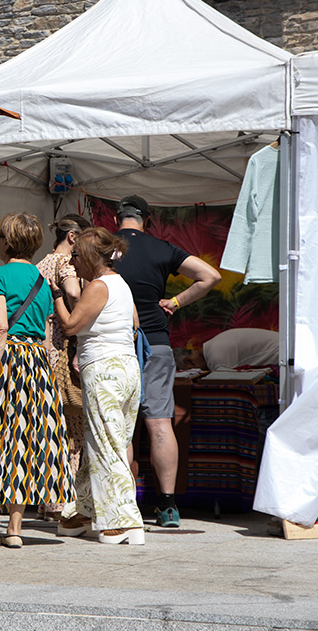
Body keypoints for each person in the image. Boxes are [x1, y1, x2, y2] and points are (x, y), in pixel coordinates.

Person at [0, 212, 72, 549]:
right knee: (23, 443)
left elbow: (0, 327)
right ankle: (15, 529)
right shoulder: (41, 280)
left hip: (6, 361)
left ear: (7, 241)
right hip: (37, 366)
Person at [112, 195, 221, 528]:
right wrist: (175, 301)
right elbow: (210, 276)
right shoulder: (162, 248)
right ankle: (168, 506)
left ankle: (125, 504)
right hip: (157, 343)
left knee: (122, 427)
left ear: (118, 219)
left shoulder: (106, 250)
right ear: (147, 219)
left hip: (117, 343)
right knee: (159, 422)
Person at [51, 228, 144, 545]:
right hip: (126, 368)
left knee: (106, 445)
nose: (72, 261)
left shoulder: (99, 286)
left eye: (76, 256)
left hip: (104, 370)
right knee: (103, 440)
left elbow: (71, 325)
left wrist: (56, 300)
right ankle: (82, 510)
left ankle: (122, 521)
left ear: (90, 257)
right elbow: (135, 324)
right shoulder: (121, 285)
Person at [36, 213, 91, 521]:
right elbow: (71, 292)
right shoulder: (65, 263)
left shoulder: (40, 265)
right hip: (61, 349)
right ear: (72, 238)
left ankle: (47, 500)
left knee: (49, 427)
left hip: (41, 352)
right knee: (71, 429)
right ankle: (64, 501)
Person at [174, 328, 279, 371]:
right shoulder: (213, 347)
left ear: (188, 361)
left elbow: (225, 383)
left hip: (285, 354)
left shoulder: (215, 355)